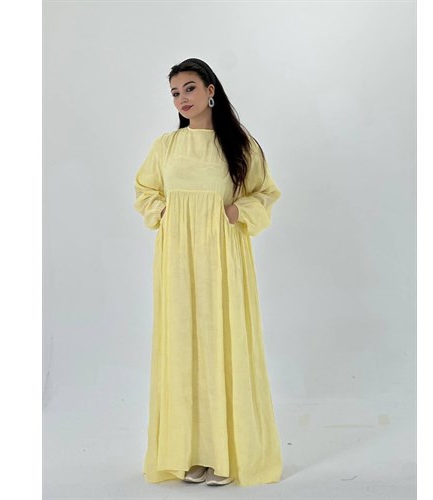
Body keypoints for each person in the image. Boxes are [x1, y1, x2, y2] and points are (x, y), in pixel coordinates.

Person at [133, 57, 283, 487]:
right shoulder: (166, 146)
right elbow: (144, 189)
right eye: (175, 93)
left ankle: (225, 454)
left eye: (190, 88)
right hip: (177, 261)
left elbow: (265, 193)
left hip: (223, 258)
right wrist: (165, 212)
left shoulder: (240, 145)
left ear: (210, 90)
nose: (182, 98)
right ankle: (192, 452)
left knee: (223, 342)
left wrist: (238, 211)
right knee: (182, 348)